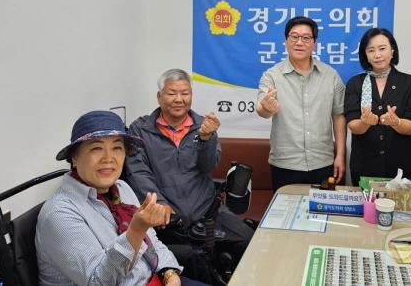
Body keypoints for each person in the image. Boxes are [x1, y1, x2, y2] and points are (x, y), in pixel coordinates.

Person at [36, 110, 208, 286]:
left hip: (154, 279)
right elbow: (100, 282)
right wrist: (136, 230)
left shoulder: (121, 188)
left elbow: (152, 241)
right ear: (74, 156)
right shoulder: (59, 214)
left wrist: (169, 273)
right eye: (97, 148)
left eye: (117, 148)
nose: (109, 158)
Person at [124, 69, 253, 271]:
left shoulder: (204, 125)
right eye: (172, 93)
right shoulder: (140, 130)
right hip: (167, 219)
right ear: (159, 96)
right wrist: (159, 203)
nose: (179, 99)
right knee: (192, 263)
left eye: (185, 93)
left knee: (248, 241)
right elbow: (138, 172)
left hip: (207, 211)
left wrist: (205, 139)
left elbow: (208, 166)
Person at [256, 16, 347, 191]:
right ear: (286, 41)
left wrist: (340, 155)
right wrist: (266, 108)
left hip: (323, 162)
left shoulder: (331, 75)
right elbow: (262, 108)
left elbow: (339, 116)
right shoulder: (272, 75)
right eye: (294, 37)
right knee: (284, 216)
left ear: (314, 43)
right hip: (285, 164)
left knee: (321, 216)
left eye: (306, 38)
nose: (299, 42)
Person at [344, 28, 411, 186]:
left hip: (400, 168)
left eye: (382, 48)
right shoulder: (356, 83)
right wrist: (365, 122)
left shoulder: (410, 83)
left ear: (392, 51)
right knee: (367, 211)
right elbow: (353, 125)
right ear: (365, 54)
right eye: (371, 50)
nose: (377, 55)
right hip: (365, 166)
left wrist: (397, 122)